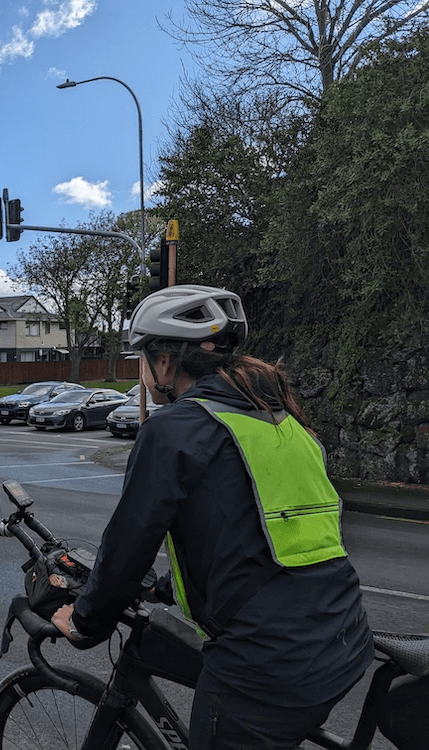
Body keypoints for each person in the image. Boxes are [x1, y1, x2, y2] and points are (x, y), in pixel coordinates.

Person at [51, 284, 373, 750]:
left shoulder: (174, 429)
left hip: (266, 666)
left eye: (141, 357)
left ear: (164, 362)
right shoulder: (282, 420)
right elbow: (254, 539)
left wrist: (85, 622)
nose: (142, 371)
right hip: (344, 639)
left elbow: (127, 546)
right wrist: (167, 587)